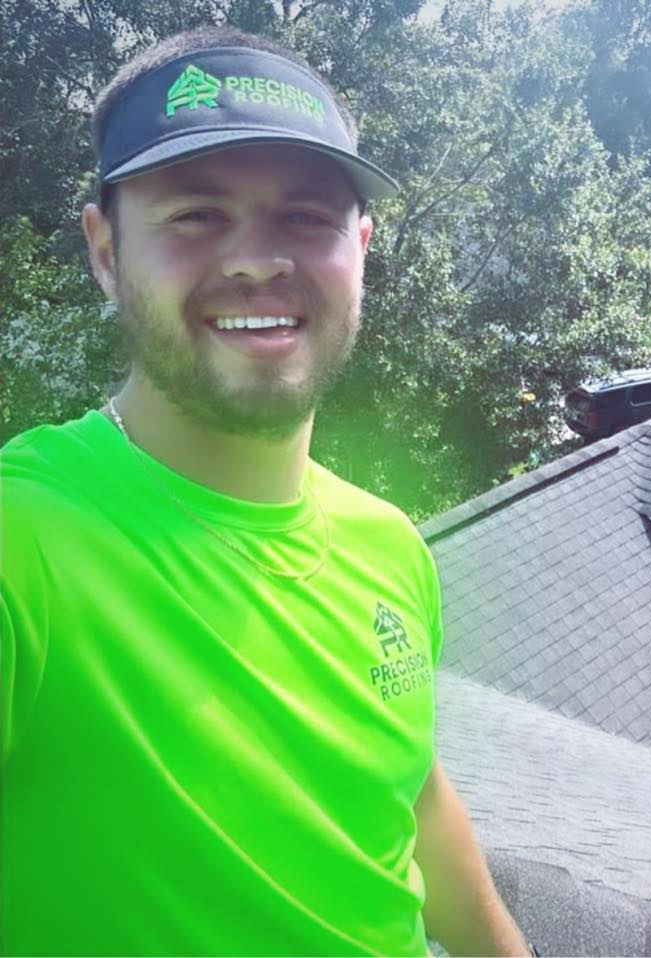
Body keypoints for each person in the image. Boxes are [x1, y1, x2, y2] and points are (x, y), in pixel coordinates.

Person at [0, 25, 535, 957]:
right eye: (195, 214)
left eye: (305, 217)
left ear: (360, 247)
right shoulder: (26, 541)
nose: (256, 260)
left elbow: (407, 794)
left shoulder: (390, 547)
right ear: (104, 249)